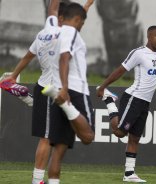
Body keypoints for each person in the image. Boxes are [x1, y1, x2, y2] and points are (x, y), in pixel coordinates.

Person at [97, 0, 156, 182]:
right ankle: (109, 102)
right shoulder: (139, 53)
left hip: (145, 102)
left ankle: (129, 174)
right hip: (134, 97)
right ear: (149, 37)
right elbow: (120, 70)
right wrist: (103, 86)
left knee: (135, 137)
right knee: (119, 132)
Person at [0, 1, 95, 184]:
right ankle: (37, 181)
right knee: (48, 138)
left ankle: (28, 99)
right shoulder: (64, 33)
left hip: (43, 84)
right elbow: (66, 54)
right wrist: (87, 5)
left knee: (55, 142)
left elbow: (29, 54)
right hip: (56, 88)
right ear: (68, 18)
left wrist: (14, 75)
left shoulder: (46, 30)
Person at [41, 2, 95, 184]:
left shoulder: (54, 31)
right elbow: (65, 57)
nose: (82, 27)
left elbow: (53, 9)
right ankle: (65, 104)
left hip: (57, 88)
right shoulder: (71, 32)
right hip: (74, 89)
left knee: (59, 147)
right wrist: (65, 91)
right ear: (78, 20)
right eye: (82, 23)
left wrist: (86, 6)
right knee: (88, 137)